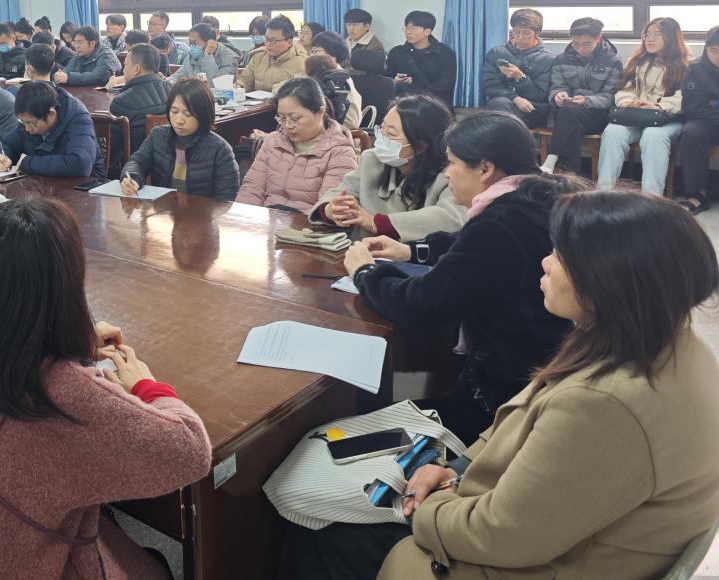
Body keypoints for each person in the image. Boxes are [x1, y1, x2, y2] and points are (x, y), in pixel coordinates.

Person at [295, 190, 719, 580]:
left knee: (318, 525)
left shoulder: (606, 403)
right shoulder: (663, 342)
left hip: (524, 564)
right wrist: (457, 469)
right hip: (557, 533)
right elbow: (523, 423)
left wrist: (432, 505)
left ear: (606, 279)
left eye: (560, 255)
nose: (545, 262)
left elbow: (499, 535)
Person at [0, 196, 211, 580]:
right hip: (34, 567)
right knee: (155, 566)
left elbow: (1, 343)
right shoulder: (58, 393)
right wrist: (147, 386)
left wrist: (64, 344)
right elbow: (191, 451)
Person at [343, 112, 582, 441]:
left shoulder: (501, 224)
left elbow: (421, 305)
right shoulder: (541, 195)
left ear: (485, 168)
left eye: (453, 162)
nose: (446, 172)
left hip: (502, 402)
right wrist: (410, 250)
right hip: (540, 374)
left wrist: (365, 273)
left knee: (359, 421)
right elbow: (469, 249)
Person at [311, 93, 464, 241]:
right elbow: (340, 193)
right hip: (361, 252)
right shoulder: (372, 159)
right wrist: (331, 209)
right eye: (382, 128)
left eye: (390, 134)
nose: (381, 138)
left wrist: (376, 223)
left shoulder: (450, 174)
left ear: (420, 146)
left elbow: (450, 217)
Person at [596, 17, 690, 196]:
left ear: (670, 37)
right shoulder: (636, 61)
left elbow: (684, 99)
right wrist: (628, 102)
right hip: (634, 115)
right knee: (613, 132)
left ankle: (652, 198)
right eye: (647, 34)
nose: (649, 39)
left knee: (653, 135)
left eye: (656, 34)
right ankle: (603, 194)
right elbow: (624, 89)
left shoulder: (685, 65)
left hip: (667, 119)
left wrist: (656, 106)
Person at [237, 77, 358, 212]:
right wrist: (244, 218)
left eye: (295, 119)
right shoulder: (273, 142)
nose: (288, 126)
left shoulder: (340, 152)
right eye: (282, 118)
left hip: (307, 223)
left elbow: (329, 207)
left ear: (320, 112)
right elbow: (252, 188)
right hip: (266, 220)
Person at [120, 78, 239, 201]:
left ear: (203, 114)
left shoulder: (220, 150)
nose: (178, 120)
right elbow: (137, 162)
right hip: (163, 211)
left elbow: (225, 200)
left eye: (188, 114)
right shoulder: (158, 136)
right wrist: (132, 178)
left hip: (201, 213)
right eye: (174, 111)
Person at [545, 17, 623, 174]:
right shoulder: (561, 59)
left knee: (569, 115)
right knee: (571, 119)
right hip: (568, 113)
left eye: (586, 44)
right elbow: (557, 86)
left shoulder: (613, 61)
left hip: (597, 114)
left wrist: (587, 100)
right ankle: (571, 173)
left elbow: (610, 97)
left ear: (598, 38)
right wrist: (558, 95)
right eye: (576, 43)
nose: (580, 48)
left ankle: (551, 161)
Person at [0, 81, 104, 179]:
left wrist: (27, 163)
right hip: (43, 183)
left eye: (31, 123)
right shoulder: (30, 117)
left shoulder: (78, 118)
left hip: (83, 187)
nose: (26, 128)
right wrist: (1, 156)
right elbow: (7, 143)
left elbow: (80, 164)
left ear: (51, 114)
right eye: (22, 122)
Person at [481, 8, 554, 128]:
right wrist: (515, 98)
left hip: (532, 108)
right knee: (499, 104)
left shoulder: (547, 59)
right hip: (503, 103)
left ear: (537, 33)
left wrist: (521, 77)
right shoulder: (496, 53)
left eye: (526, 33)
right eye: (516, 32)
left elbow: (541, 95)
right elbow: (490, 85)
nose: (520, 37)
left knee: (499, 110)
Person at [677, 25, 719, 214]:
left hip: (711, 114)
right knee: (691, 133)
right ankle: (697, 195)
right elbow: (695, 106)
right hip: (706, 121)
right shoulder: (694, 69)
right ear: (706, 48)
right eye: (714, 51)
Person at [108, 42, 169, 154]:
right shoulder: (175, 91)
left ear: (136, 69)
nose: (123, 70)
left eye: (125, 65)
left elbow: (113, 148)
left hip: (137, 161)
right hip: (173, 159)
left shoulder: (122, 101)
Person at [386, 11, 457, 105]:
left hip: (434, 105)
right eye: (406, 28)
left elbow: (444, 84)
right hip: (403, 105)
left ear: (427, 31)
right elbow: (386, 78)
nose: (408, 32)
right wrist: (394, 81)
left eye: (413, 29)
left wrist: (417, 96)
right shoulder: (396, 53)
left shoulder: (445, 53)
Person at [238, 16, 306, 94]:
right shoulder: (258, 56)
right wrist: (240, 86)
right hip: (255, 101)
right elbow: (245, 80)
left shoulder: (301, 64)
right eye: (266, 39)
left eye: (273, 40)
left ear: (289, 42)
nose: (268, 44)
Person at [309, 32, 363, 128]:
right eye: (311, 51)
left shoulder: (339, 78)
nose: (311, 56)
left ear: (333, 54)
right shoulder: (320, 74)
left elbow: (351, 122)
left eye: (316, 51)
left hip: (338, 131)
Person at [56, 25, 121, 87]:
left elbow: (99, 77)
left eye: (80, 42)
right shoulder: (79, 55)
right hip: (86, 91)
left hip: (107, 92)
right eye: (75, 42)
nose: (76, 46)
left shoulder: (106, 54)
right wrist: (60, 75)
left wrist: (69, 78)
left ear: (92, 43)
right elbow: (67, 70)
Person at [343, 8, 389, 77]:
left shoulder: (375, 45)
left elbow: (362, 71)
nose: (351, 28)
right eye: (348, 24)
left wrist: (340, 70)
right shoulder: (345, 41)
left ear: (367, 26)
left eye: (355, 24)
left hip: (362, 81)